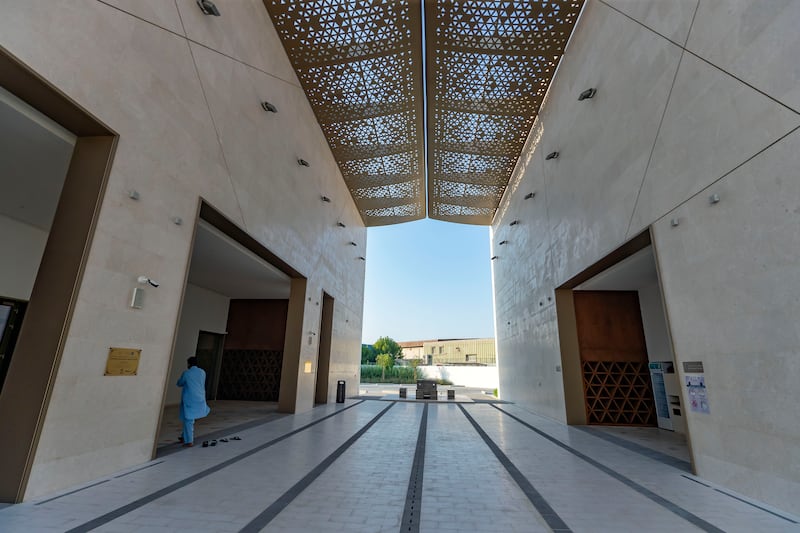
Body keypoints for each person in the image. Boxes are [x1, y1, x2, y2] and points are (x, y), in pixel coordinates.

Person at [176, 356, 210, 447]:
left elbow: (180, 383)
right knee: (188, 418)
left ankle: (189, 441)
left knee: (188, 420)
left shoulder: (187, 373)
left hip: (190, 400)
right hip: (200, 398)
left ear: (189, 364)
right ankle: (184, 436)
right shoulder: (202, 372)